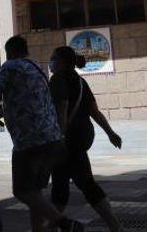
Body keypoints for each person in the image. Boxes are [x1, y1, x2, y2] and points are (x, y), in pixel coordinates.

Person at [0, 36, 85, 232]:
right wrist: (1, 113)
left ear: (9, 51)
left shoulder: (10, 67)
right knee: (35, 192)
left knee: (21, 191)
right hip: (52, 139)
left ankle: (65, 223)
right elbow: (28, 101)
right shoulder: (36, 67)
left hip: (29, 141)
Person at [49, 46, 124, 232]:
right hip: (80, 142)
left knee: (60, 187)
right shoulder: (81, 82)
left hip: (64, 142)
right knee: (86, 185)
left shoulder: (58, 79)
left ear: (62, 62)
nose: (50, 61)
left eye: (53, 58)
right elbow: (94, 112)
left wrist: (60, 136)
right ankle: (115, 226)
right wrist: (110, 133)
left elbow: (62, 108)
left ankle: (53, 227)